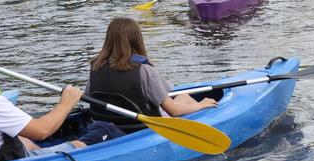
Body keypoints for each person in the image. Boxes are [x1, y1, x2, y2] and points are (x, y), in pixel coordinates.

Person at [86, 17, 217, 133]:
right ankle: (211, 124)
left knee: (182, 96)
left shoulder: (95, 68)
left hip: (108, 125)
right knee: (185, 99)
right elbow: (174, 111)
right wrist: (201, 105)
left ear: (108, 40)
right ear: (136, 40)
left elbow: (89, 97)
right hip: (141, 129)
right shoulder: (144, 70)